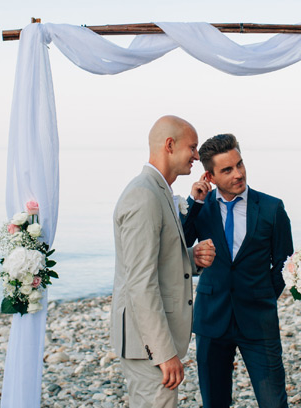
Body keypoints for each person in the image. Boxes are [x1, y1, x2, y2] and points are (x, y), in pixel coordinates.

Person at [110, 115, 217, 408]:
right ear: (170, 145)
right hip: (147, 344)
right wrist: (163, 352)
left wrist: (190, 257)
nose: (197, 155)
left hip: (148, 340)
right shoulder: (144, 196)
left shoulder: (158, 190)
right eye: (192, 147)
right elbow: (140, 283)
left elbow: (155, 261)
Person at [181, 133, 293, 408]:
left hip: (258, 319)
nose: (238, 174)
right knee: (214, 402)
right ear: (210, 175)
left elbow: (284, 261)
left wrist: (264, 294)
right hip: (211, 319)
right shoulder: (200, 207)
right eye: (227, 170)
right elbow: (177, 247)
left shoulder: (271, 207)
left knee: (274, 402)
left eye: (240, 164)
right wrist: (194, 204)